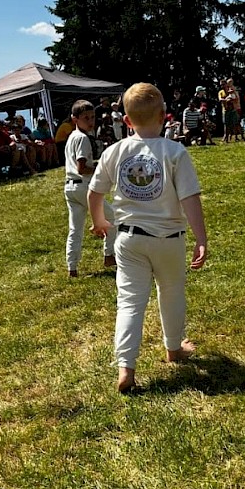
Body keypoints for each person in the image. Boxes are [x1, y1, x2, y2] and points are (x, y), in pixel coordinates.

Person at [88, 82, 207, 393]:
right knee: (172, 293)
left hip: (128, 240)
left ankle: (125, 368)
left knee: (129, 303)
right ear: (165, 116)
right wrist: (201, 237)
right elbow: (190, 198)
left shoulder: (114, 151)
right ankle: (173, 349)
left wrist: (99, 220)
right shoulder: (174, 151)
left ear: (127, 121)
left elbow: (95, 191)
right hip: (169, 239)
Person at [64, 99, 116, 277]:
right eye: (86, 118)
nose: (90, 121)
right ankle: (109, 255)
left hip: (70, 187)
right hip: (83, 186)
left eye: (92, 117)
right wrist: (101, 168)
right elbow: (82, 168)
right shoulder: (82, 138)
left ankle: (72, 267)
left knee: (75, 229)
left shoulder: (71, 136)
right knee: (111, 218)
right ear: (75, 119)